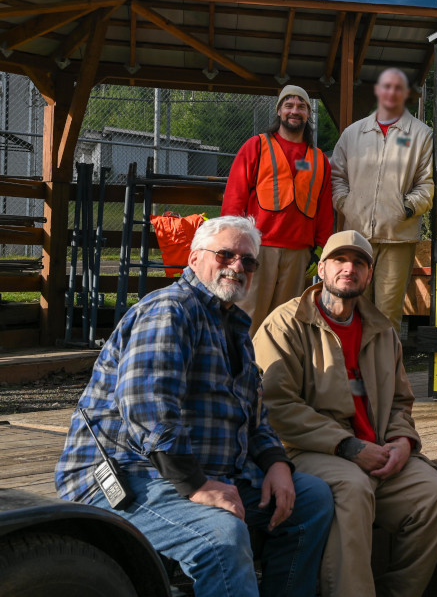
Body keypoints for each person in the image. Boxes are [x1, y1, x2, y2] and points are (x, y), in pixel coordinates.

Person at [54, 216, 333, 597]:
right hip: (128, 474)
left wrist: (277, 465)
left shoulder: (234, 326)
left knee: (311, 499)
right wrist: (196, 485)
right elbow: (148, 407)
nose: (238, 266)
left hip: (202, 471)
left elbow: (255, 418)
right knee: (221, 535)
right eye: (226, 254)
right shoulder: (171, 310)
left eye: (248, 261)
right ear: (194, 258)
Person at [253, 229, 437, 597]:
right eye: (340, 260)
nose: (349, 268)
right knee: (352, 487)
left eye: (359, 262)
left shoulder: (381, 329)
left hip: (377, 449)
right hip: (307, 450)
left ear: (370, 273)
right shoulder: (284, 324)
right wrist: (347, 446)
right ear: (322, 269)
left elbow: (399, 402)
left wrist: (401, 443)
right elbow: (274, 404)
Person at [223, 84, 334, 335]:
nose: (295, 111)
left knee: (286, 322)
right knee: (247, 315)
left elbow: (325, 207)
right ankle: (241, 371)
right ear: (279, 111)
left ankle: (276, 374)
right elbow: (235, 195)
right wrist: (232, 243)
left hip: (299, 253)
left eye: (301, 106)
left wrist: (320, 248)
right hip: (258, 247)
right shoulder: (256, 146)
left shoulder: (319, 159)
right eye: (289, 105)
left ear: (308, 114)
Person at [330, 68, 433, 332]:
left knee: (388, 316)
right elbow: (336, 176)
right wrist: (346, 203)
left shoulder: (421, 135)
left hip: (398, 236)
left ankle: (385, 372)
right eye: (386, 86)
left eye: (398, 88)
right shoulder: (353, 134)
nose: (391, 93)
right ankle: (349, 369)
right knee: (351, 307)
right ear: (378, 91)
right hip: (356, 237)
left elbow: (427, 183)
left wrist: (406, 208)